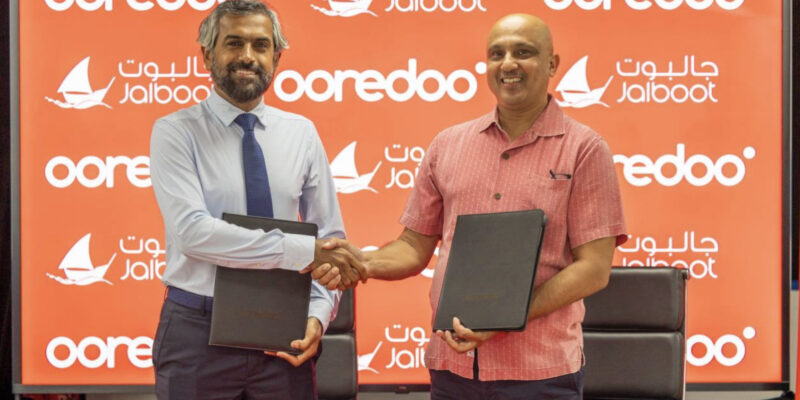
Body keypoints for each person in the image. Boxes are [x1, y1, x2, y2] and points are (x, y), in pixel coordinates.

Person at [322, 13, 627, 399]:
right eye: (497, 54)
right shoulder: (448, 145)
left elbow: (594, 270)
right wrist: (362, 263)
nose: (508, 64)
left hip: (540, 373)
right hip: (453, 370)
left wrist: (505, 317)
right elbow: (413, 247)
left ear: (552, 64)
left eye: (523, 52)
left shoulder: (584, 149)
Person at [149, 1, 364, 398]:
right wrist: (302, 251)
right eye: (234, 43)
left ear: (276, 57)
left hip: (285, 329)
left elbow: (330, 239)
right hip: (198, 332)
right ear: (207, 55)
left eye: (260, 45)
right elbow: (191, 233)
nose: (247, 56)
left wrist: (317, 317)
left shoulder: (301, 133)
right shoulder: (176, 132)